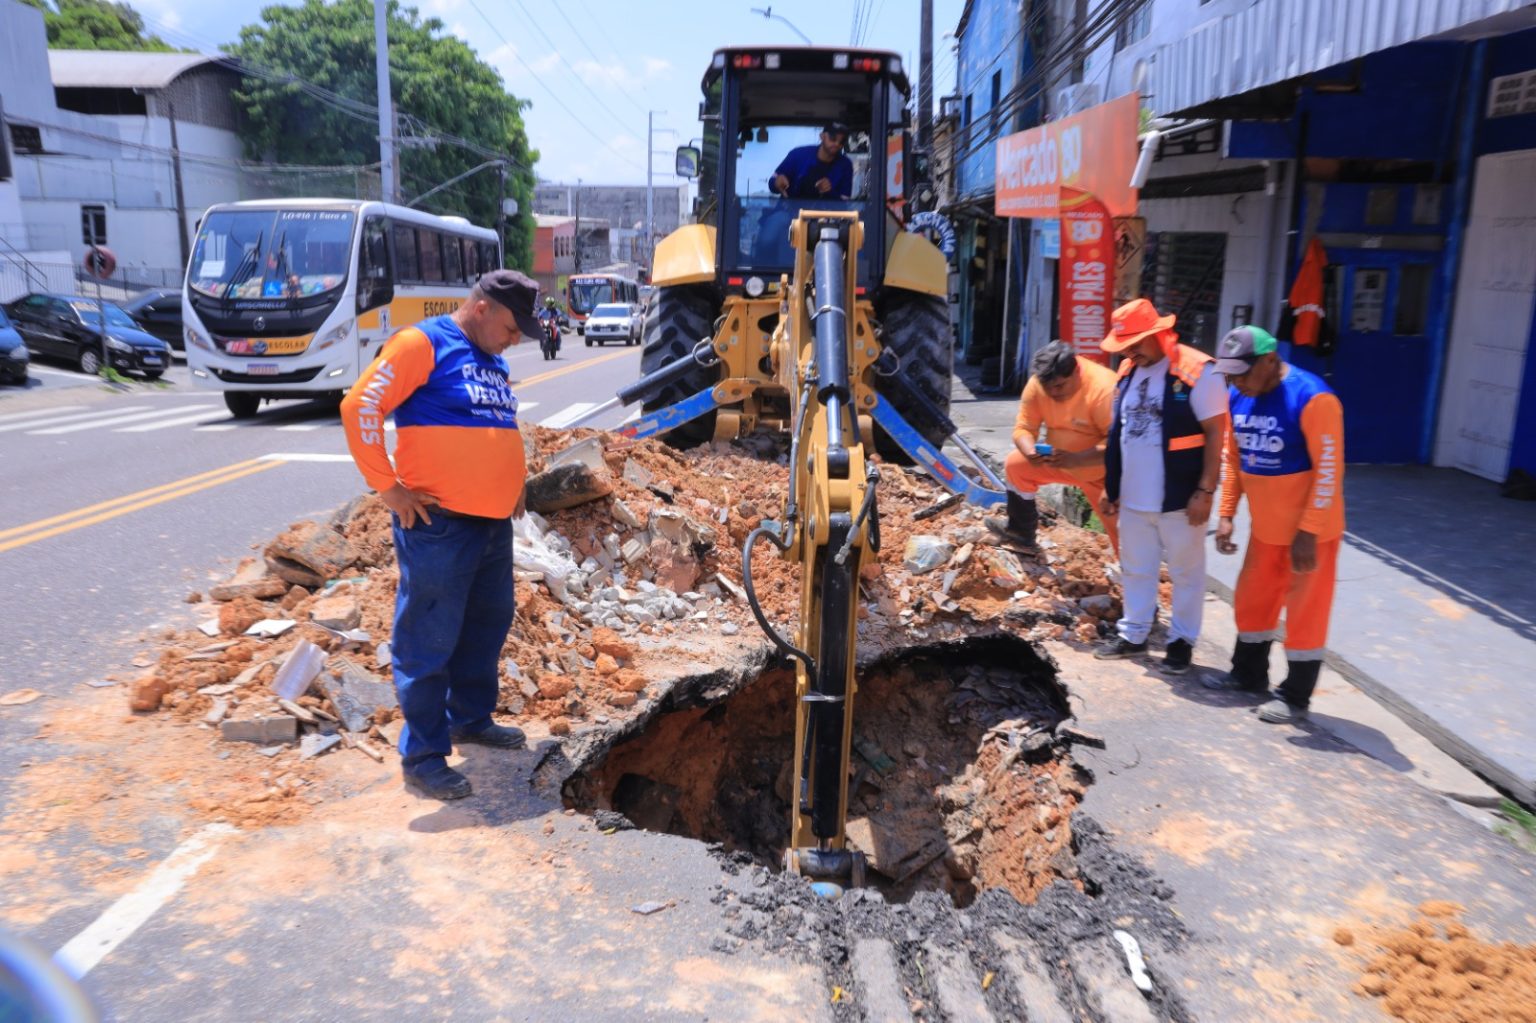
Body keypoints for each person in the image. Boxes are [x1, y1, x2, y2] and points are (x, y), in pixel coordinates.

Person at [340, 269, 544, 800]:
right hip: (439, 524)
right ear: (482, 308)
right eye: (512, 324)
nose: (516, 336)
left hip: (491, 521)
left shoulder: (489, 357)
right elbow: (360, 405)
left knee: (486, 622)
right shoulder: (421, 343)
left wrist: (513, 480)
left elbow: (493, 424)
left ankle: (469, 718)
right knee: (428, 638)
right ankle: (423, 755)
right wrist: (388, 488)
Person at [1202, 326, 1345, 725]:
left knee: (1305, 612)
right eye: (1229, 375)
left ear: (1270, 360)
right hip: (1267, 531)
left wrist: (1309, 531)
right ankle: (1247, 675)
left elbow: (1329, 472)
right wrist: (1227, 513)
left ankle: (1295, 696)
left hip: (1311, 535)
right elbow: (1235, 458)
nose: (1234, 382)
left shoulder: (1314, 398)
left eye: (1241, 373)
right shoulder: (1238, 396)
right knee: (1253, 600)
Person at [1094, 299, 1228, 675]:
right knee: (1136, 568)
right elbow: (1118, 432)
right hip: (1135, 497)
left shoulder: (1198, 371)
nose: (1129, 351)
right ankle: (1134, 634)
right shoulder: (1127, 372)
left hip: (1181, 497)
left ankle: (1181, 642)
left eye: (1136, 343)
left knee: (1186, 572)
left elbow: (1217, 434)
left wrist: (1205, 491)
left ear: (1158, 333)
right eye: (1124, 346)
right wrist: (1111, 485)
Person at [985, 339, 1120, 554]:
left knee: (1124, 538)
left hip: (1104, 474)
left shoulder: (1104, 389)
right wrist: (1029, 451)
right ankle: (1021, 532)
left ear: (1076, 371)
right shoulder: (1038, 385)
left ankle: (1137, 578)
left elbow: (1119, 447)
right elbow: (1023, 428)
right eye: (1048, 388)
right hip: (1060, 461)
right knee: (1015, 465)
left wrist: (1077, 460)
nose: (1053, 393)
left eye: (1059, 386)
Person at [771, 122, 855, 200]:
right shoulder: (798, 154)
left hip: (826, 214)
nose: (837, 144)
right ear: (822, 136)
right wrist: (776, 182)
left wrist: (829, 192)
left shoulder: (845, 165)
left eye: (842, 141)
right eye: (832, 138)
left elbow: (844, 202)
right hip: (788, 211)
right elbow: (772, 182)